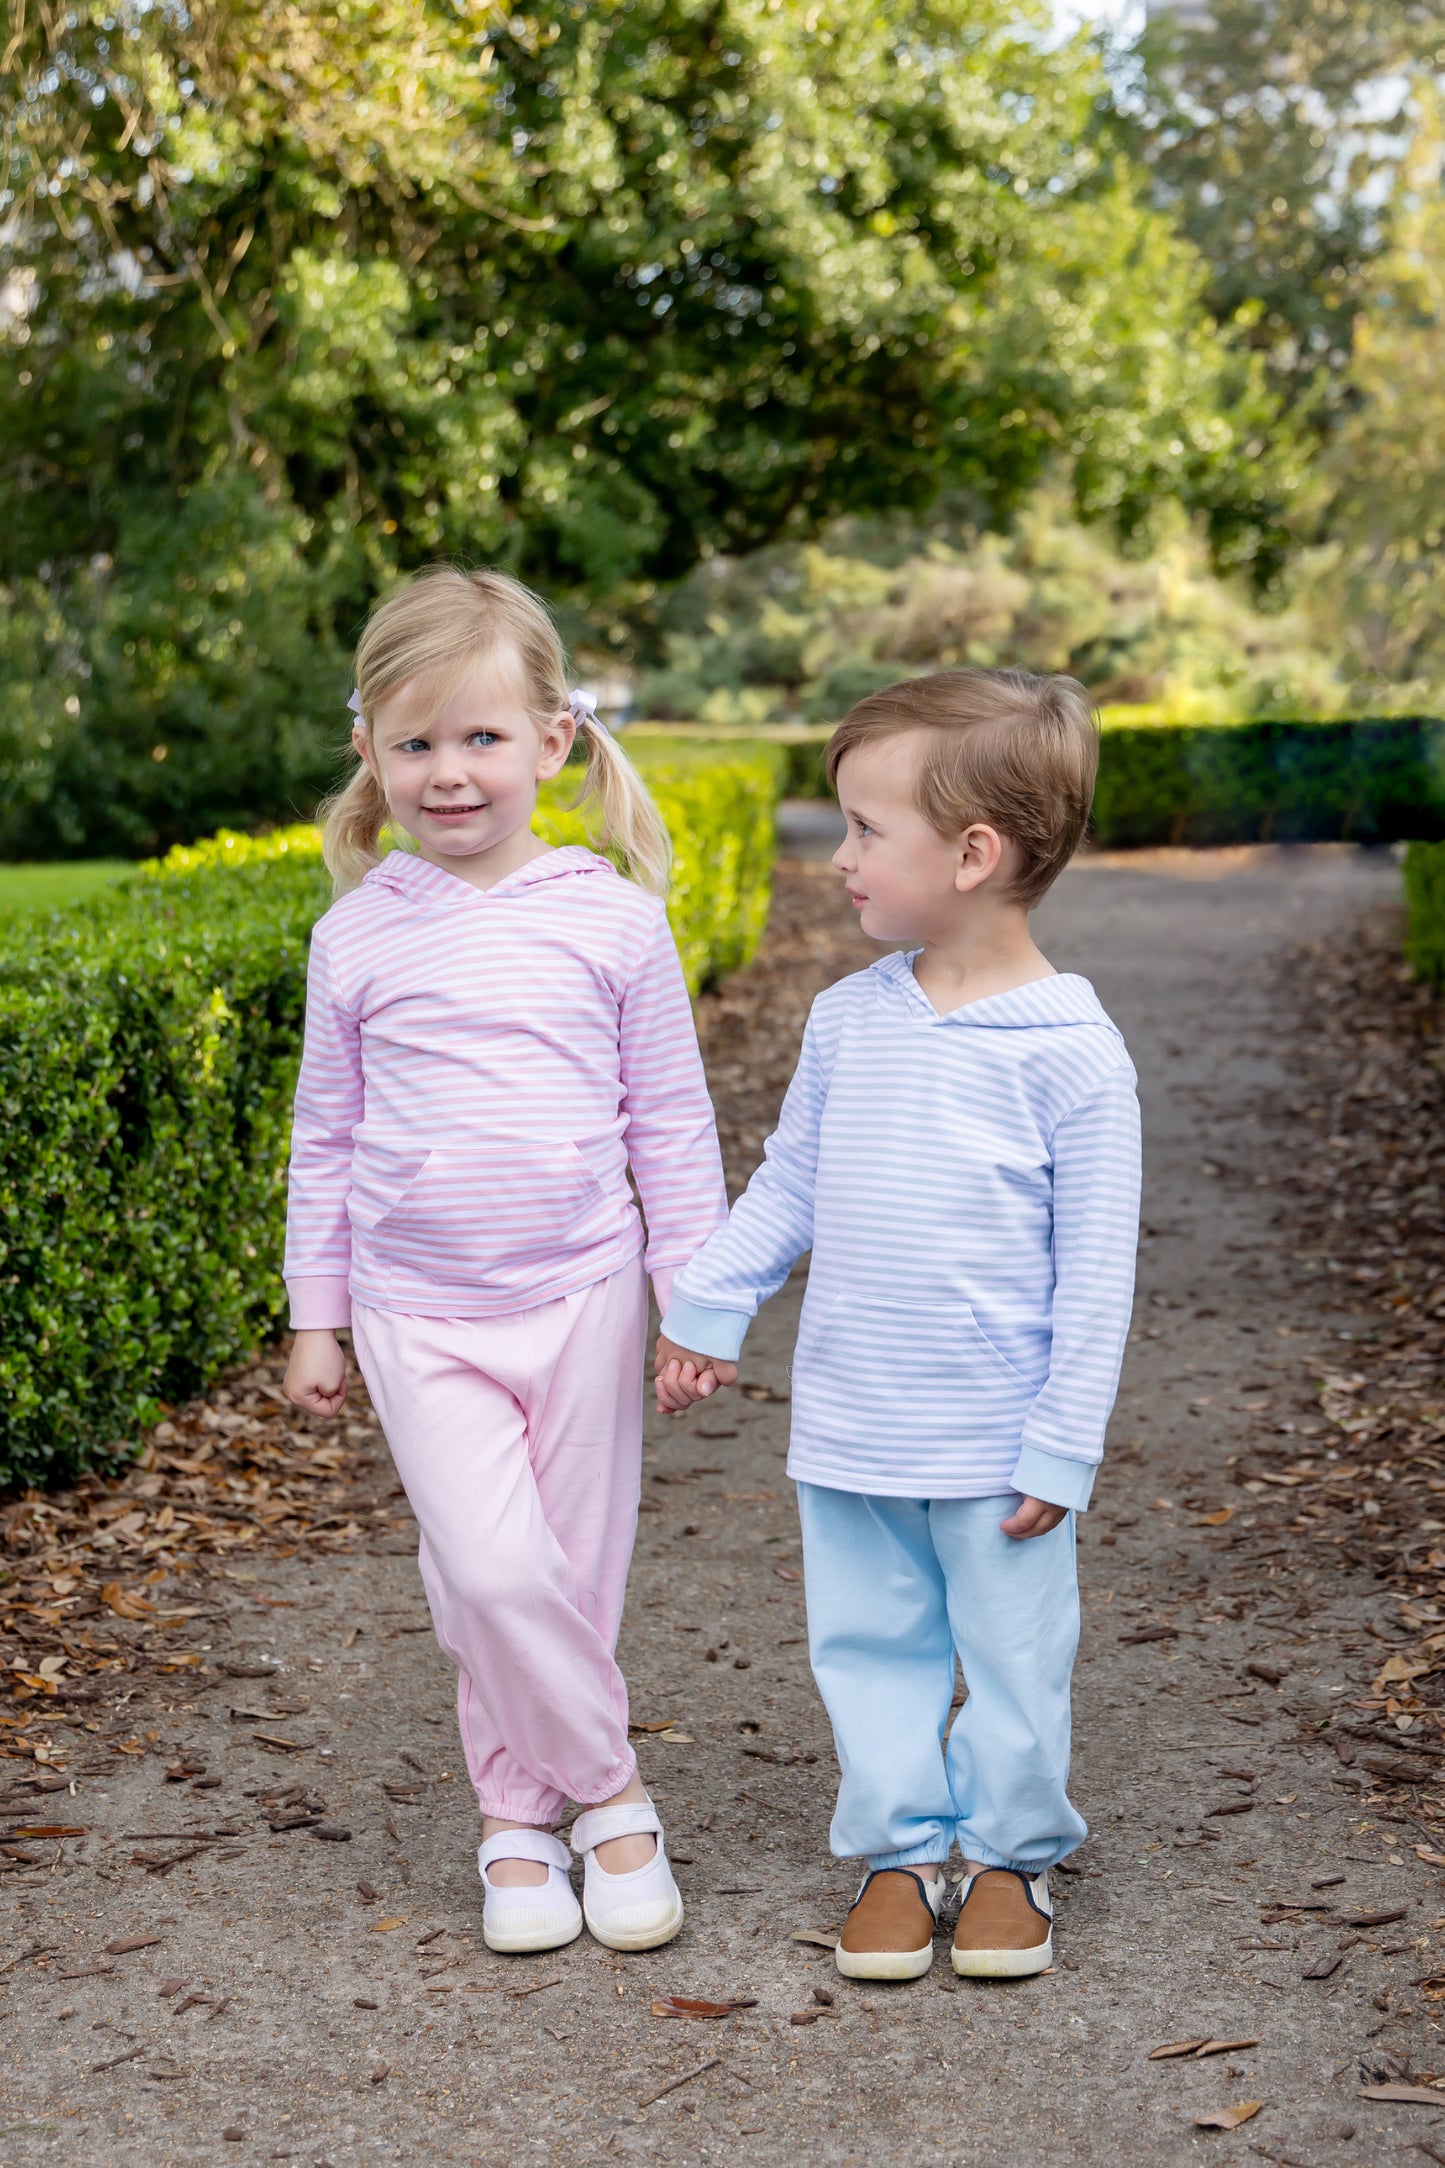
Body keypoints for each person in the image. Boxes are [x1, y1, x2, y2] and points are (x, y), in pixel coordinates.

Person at [653, 668, 1140, 1981]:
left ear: (972, 856)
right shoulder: (847, 1022)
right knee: (868, 1649)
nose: (840, 859)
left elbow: (1094, 1280)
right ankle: (899, 1850)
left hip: (997, 1447)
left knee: (1013, 1658)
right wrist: (709, 1306)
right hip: (856, 1424)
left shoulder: (1072, 1057)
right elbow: (792, 1187)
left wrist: (1059, 1450)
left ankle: (1006, 1858)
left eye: (867, 831)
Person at [282, 567, 727, 1957]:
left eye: (479, 738)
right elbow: (326, 1137)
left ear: (553, 740)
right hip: (421, 1314)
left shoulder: (611, 919)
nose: (448, 772)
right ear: (369, 752)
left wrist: (689, 1295)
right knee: (485, 1569)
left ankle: (514, 1826)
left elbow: (669, 1117)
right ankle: (611, 1792)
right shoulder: (354, 935)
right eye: (413, 743)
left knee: (569, 1576)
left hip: (585, 1294)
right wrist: (318, 1315)